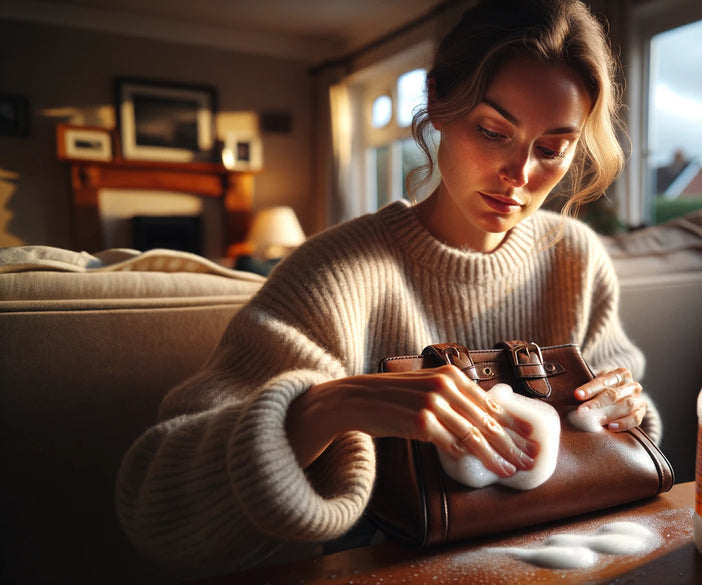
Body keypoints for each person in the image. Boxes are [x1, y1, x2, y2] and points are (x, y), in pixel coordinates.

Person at [116, 0, 661, 577]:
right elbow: (158, 507)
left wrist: (623, 409)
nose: (521, 176)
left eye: (552, 149)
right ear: (436, 104)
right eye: (492, 131)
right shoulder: (336, 275)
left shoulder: (575, 258)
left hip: (567, 559)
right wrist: (332, 405)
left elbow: (628, 442)